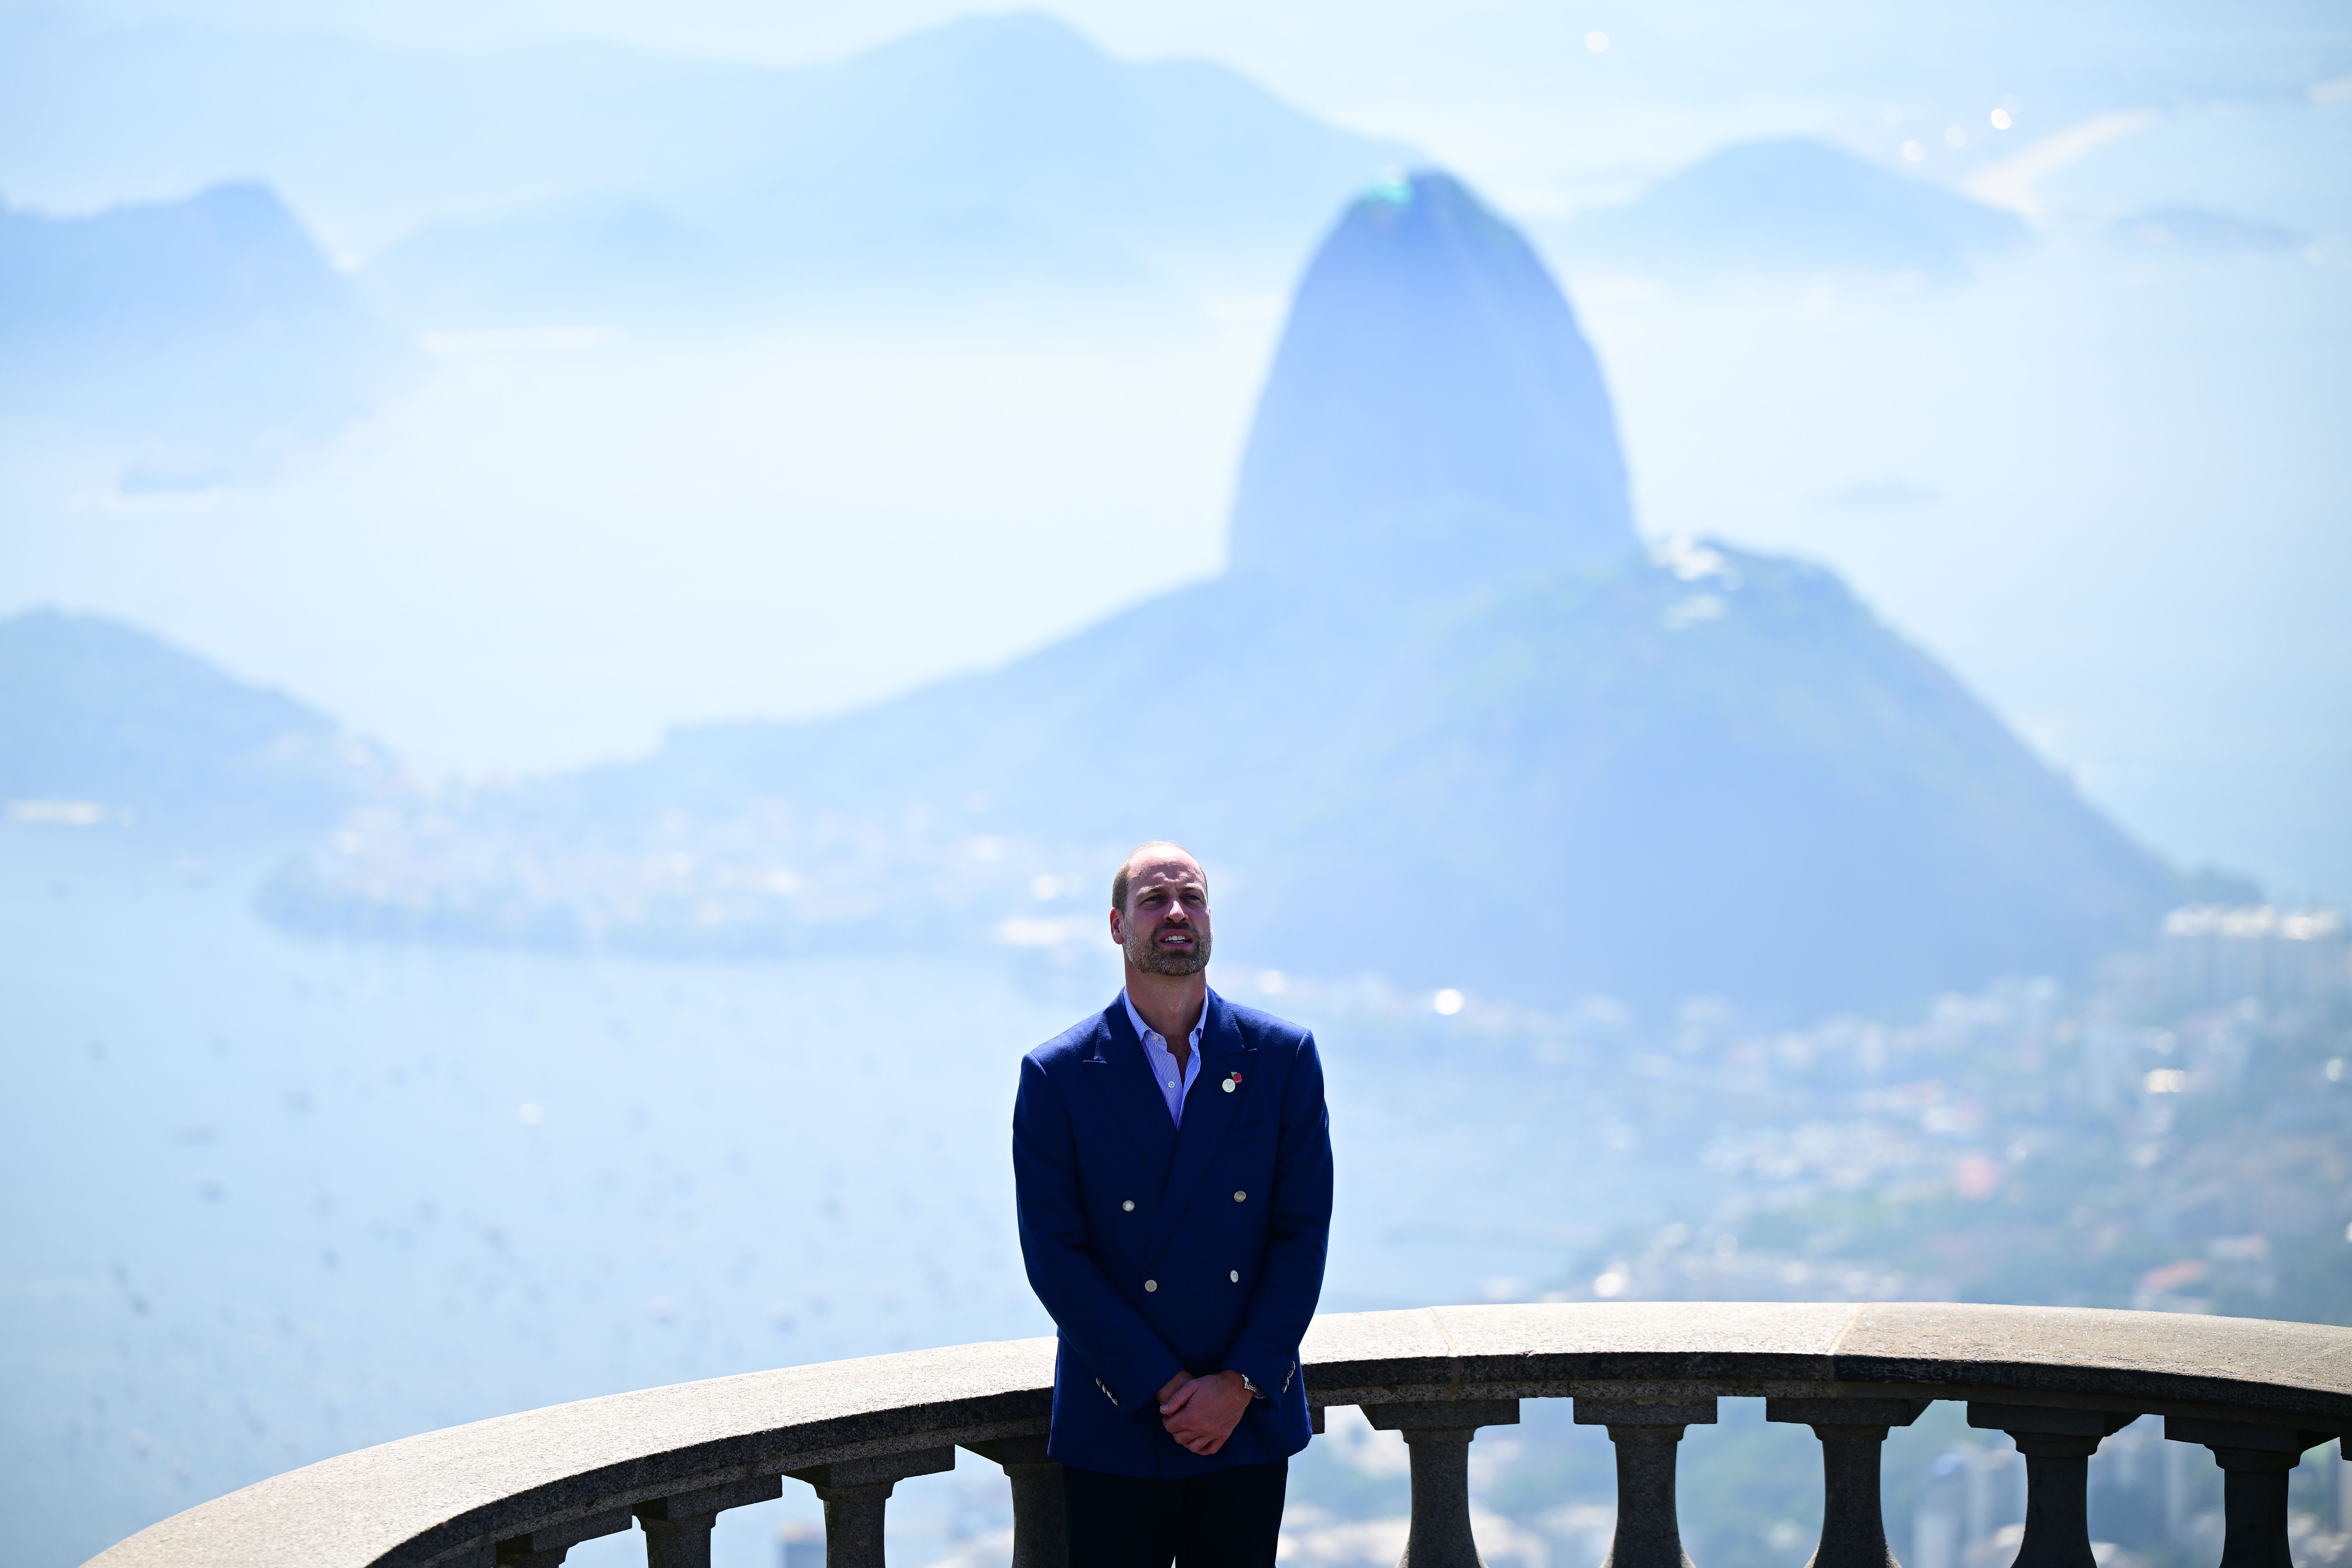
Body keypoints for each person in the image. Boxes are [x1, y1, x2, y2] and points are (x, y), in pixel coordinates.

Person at [1012, 841, 1334, 1567]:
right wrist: (1166, 1387)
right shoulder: (1057, 1076)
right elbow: (1054, 1257)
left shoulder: (1281, 1057)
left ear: (1211, 920)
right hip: (1120, 1410)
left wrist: (1238, 1383)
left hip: (1245, 1415)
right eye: (1154, 900)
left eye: (1190, 897)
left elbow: (1301, 1233)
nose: (1176, 912)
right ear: (1118, 927)